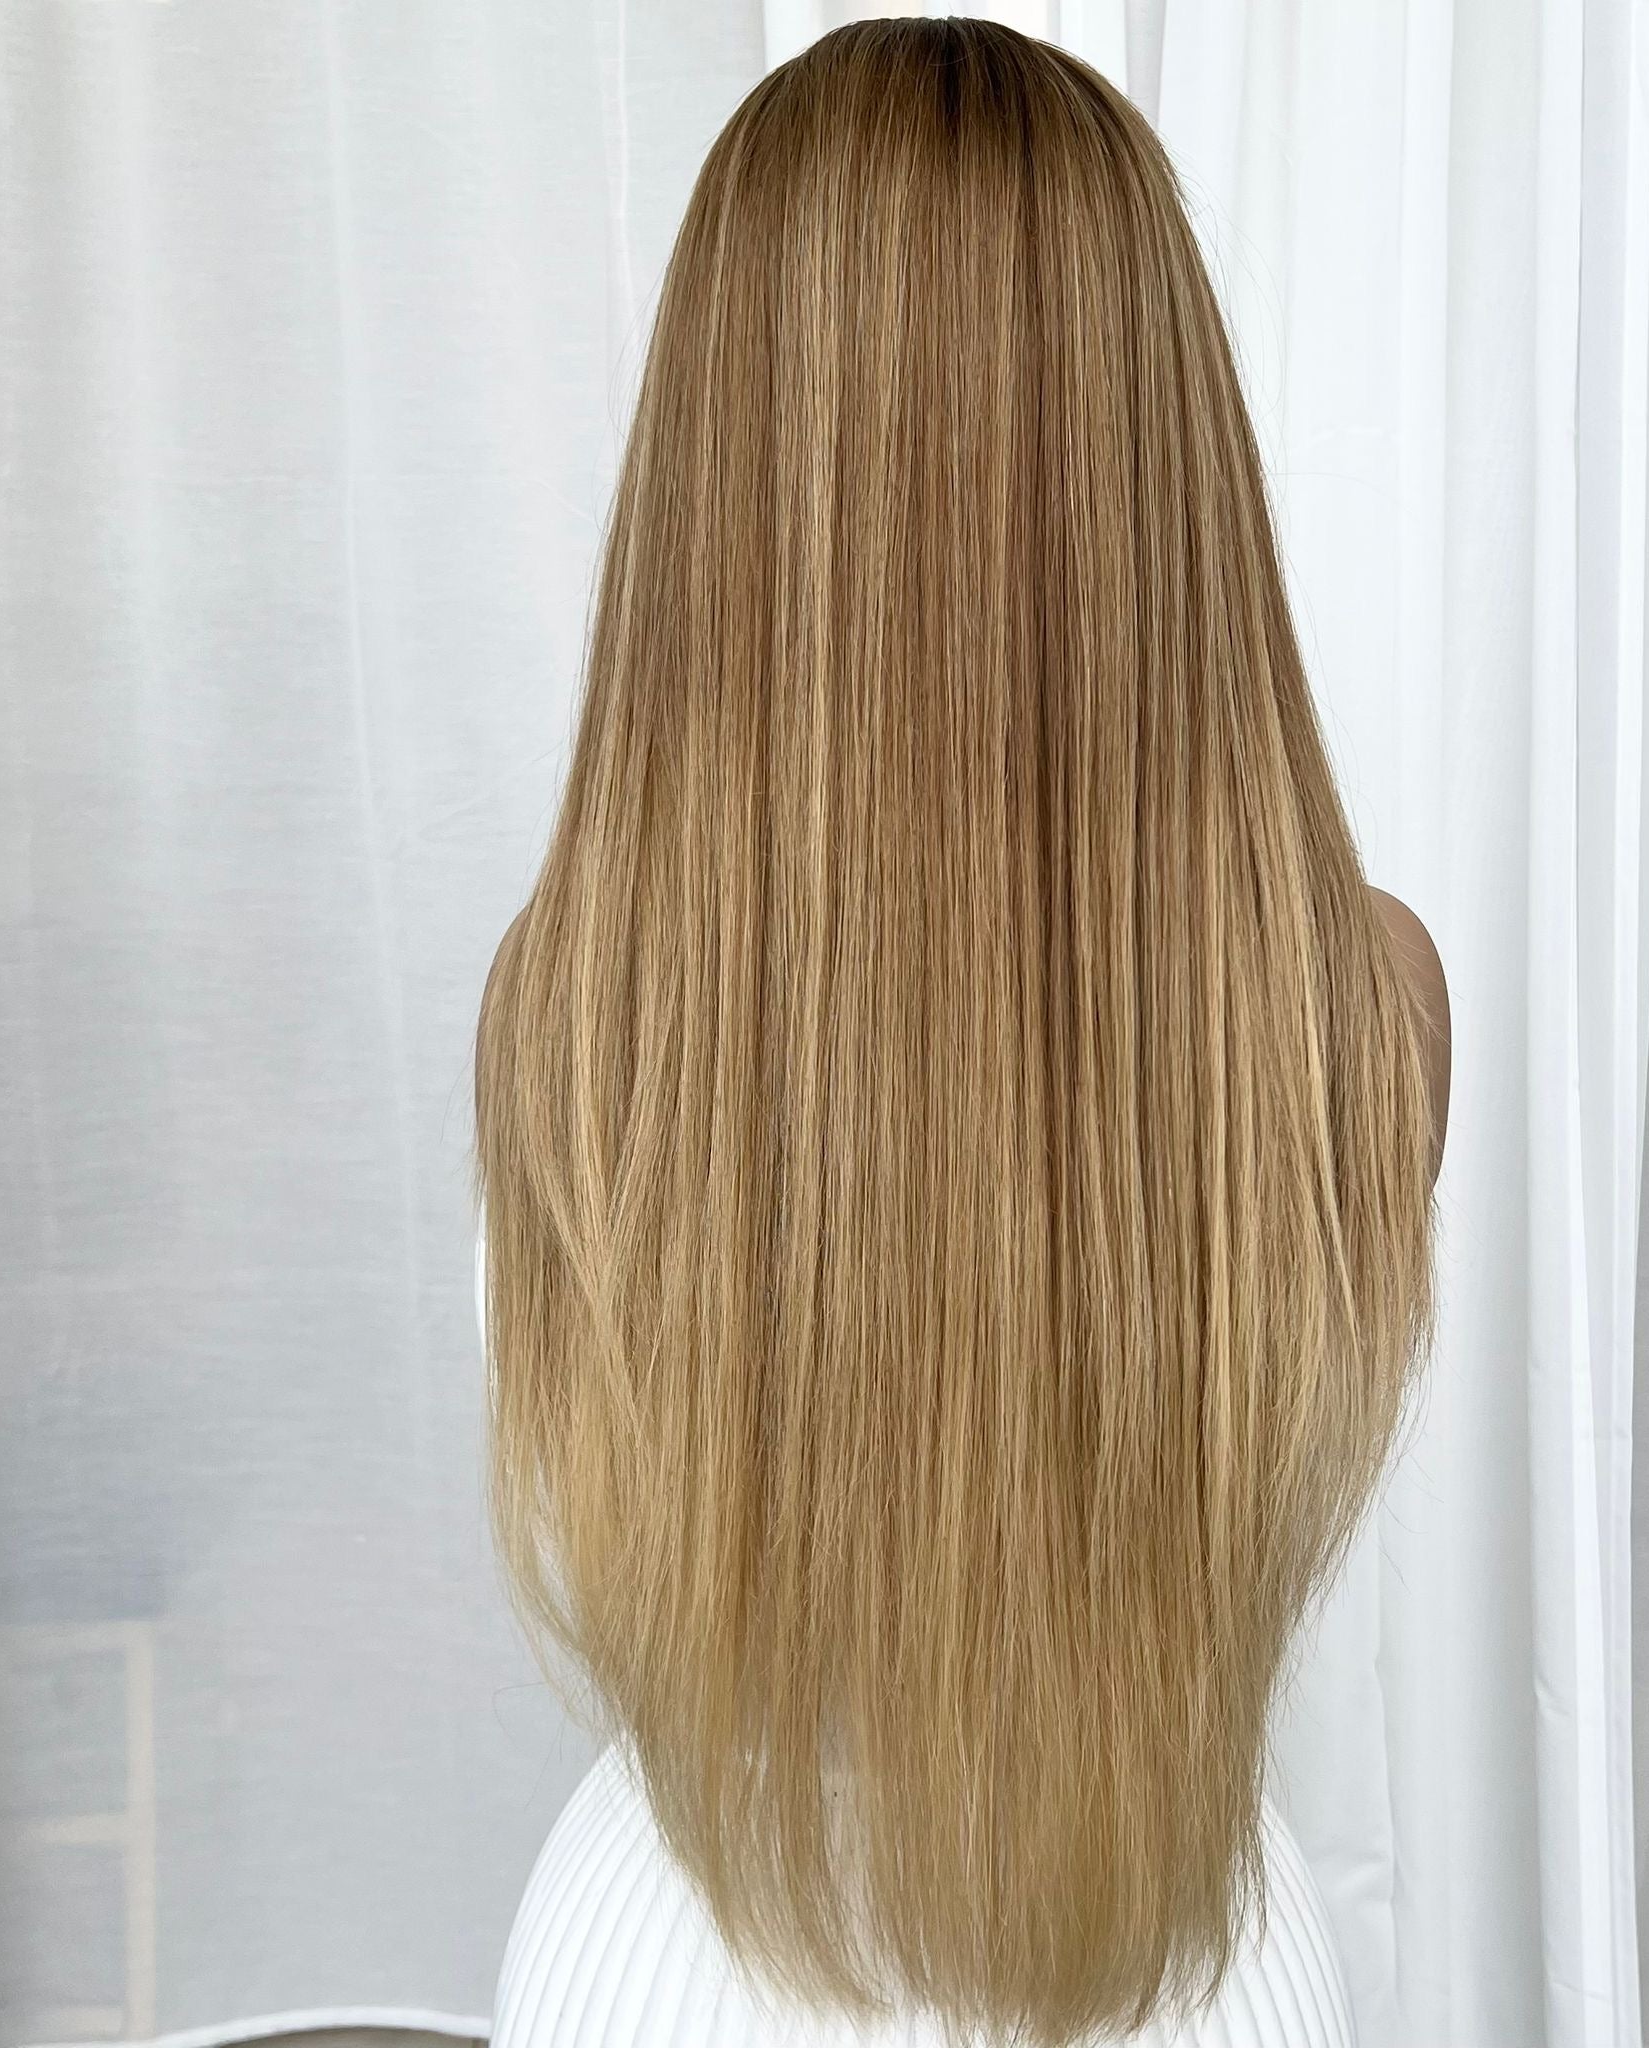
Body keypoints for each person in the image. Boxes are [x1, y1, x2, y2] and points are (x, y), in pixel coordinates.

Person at [471, 19, 1451, 2047]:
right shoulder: (1366, 1007)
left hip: (664, 1982)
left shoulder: (565, 1009)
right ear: (1165, 450)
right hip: (1178, 1979)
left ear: (718, 462)